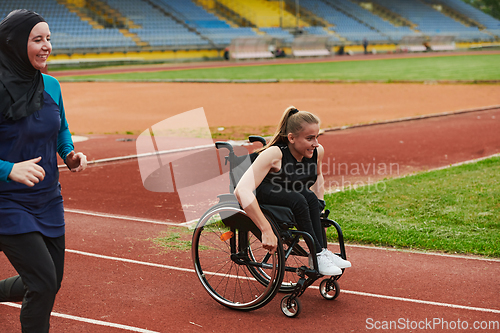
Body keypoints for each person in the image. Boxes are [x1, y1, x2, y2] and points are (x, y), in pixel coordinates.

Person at [0, 9, 87, 332]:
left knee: (49, 281)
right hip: (7, 202)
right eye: (37, 39)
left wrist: (69, 154)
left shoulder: (51, 85)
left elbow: (60, 127)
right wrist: (9, 169)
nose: (46, 45)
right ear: (15, 44)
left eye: (49, 38)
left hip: (48, 200)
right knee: (43, 283)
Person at [234, 106, 351, 276]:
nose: (316, 143)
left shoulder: (318, 151)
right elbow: (241, 191)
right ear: (291, 138)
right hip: (261, 192)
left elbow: (318, 176)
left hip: (290, 192)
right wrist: (266, 230)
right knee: (299, 199)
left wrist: (320, 208)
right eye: (310, 138)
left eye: (317, 137)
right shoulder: (274, 154)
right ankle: (317, 254)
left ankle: (321, 252)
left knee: (310, 198)